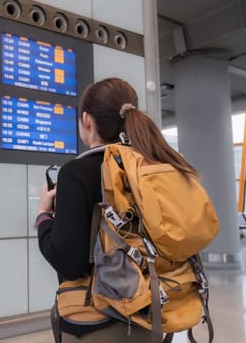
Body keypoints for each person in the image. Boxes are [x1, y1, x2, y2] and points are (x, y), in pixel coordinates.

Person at [35, 77, 198, 342]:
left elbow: (69, 262)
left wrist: (44, 216)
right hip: (152, 314)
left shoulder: (77, 172)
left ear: (87, 120)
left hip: (98, 322)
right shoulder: (150, 167)